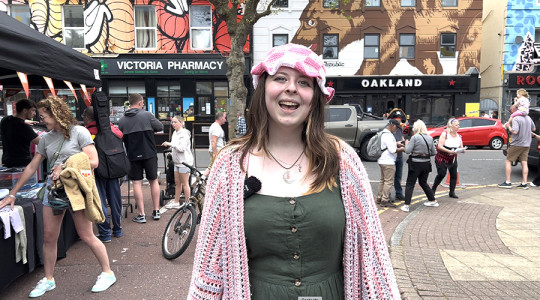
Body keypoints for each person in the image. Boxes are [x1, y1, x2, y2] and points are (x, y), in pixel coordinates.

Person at [187, 43, 400, 299]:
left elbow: (373, 258)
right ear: (262, 87)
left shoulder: (342, 160)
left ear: (316, 97)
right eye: (280, 78)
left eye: (304, 82)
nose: (291, 88)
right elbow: (209, 266)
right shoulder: (229, 165)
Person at [0, 96, 116, 297]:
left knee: (87, 235)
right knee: (49, 238)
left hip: (75, 192)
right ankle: (48, 279)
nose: (41, 119)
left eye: (44, 116)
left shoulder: (79, 132)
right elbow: (32, 166)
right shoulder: (46, 138)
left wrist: (66, 164)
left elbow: (94, 161)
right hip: (53, 191)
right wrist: (12, 193)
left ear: (56, 114)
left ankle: (108, 273)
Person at [118, 93, 164, 223]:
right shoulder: (147, 115)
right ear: (139, 103)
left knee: (137, 183)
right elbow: (160, 127)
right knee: (153, 181)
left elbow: (120, 135)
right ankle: (156, 211)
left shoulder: (122, 120)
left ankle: (142, 214)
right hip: (149, 153)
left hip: (132, 155)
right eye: (142, 102)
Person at [83, 107, 124, 242]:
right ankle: (118, 229)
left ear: (88, 118)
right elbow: (120, 135)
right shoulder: (112, 129)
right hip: (113, 168)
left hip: (96, 171)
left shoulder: (87, 132)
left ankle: (105, 233)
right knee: (115, 200)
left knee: (99, 201)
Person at [402, 120, 437, 212]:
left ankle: (406, 205)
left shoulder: (415, 137)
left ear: (415, 128)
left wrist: (406, 144)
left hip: (415, 163)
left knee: (410, 183)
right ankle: (433, 200)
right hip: (426, 163)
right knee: (423, 182)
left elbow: (407, 151)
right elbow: (434, 152)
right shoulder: (430, 138)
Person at [498, 104, 535, 189]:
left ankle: (508, 182)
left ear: (515, 111)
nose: (511, 113)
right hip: (526, 144)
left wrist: (508, 127)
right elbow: (533, 129)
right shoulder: (528, 118)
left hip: (517, 144)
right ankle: (524, 183)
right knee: (524, 163)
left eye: (511, 111)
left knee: (508, 161)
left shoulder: (516, 119)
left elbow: (515, 131)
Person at [161, 116, 193, 209]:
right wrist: (171, 148)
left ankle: (187, 202)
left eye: (175, 122)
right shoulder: (175, 133)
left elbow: (181, 148)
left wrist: (170, 144)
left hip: (184, 162)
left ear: (181, 123)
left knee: (185, 183)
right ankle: (176, 201)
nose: (173, 124)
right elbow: (175, 146)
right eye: (172, 122)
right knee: (177, 182)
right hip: (177, 162)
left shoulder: (184, 134)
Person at [431, 118, 466, 200]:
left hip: (453, 157)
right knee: (441, 174)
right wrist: (449, 151)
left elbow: (461, 147)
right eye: (457, 125)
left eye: (458, 125)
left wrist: (462, 150)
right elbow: (439, 146)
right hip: (442, 157)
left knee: (454, 175)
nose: (458, 126)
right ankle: (433, 189)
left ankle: (452, 192)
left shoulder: (458, 136)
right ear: (451, 126)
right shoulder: (445, 134)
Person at [1, 99, 41, 167]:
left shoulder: (5, 120)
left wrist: (25, 121)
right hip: (22, 163)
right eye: (33, 110)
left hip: (7, 160)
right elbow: (40, 142)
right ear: (25, 110)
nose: (34, 113)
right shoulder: (24, 127)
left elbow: (14, 121)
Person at [376, 119, 405, 207]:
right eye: (396, 128)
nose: (396, 130)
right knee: (388, 181)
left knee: (383, 180)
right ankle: (385, 200)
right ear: (393, 126)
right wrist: (404, 148)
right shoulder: (388, 135)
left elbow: (387, 146)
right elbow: (392, 150)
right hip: (388, 161)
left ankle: (379, 198)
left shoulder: (382, 133)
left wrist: (396, 143)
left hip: (382, 160)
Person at [388, 109, 406, 201]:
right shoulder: (388, 129)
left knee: (398, 177)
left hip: (399, 156)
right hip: (391, 157)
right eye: (397, 119)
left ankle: (399, 193)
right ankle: (388, 195)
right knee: (389, 178)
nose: (399, 121)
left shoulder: (399, 128)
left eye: (400, 119)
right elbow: (388, 144)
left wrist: (404, 143)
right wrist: (397, 144)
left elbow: (402, 138)